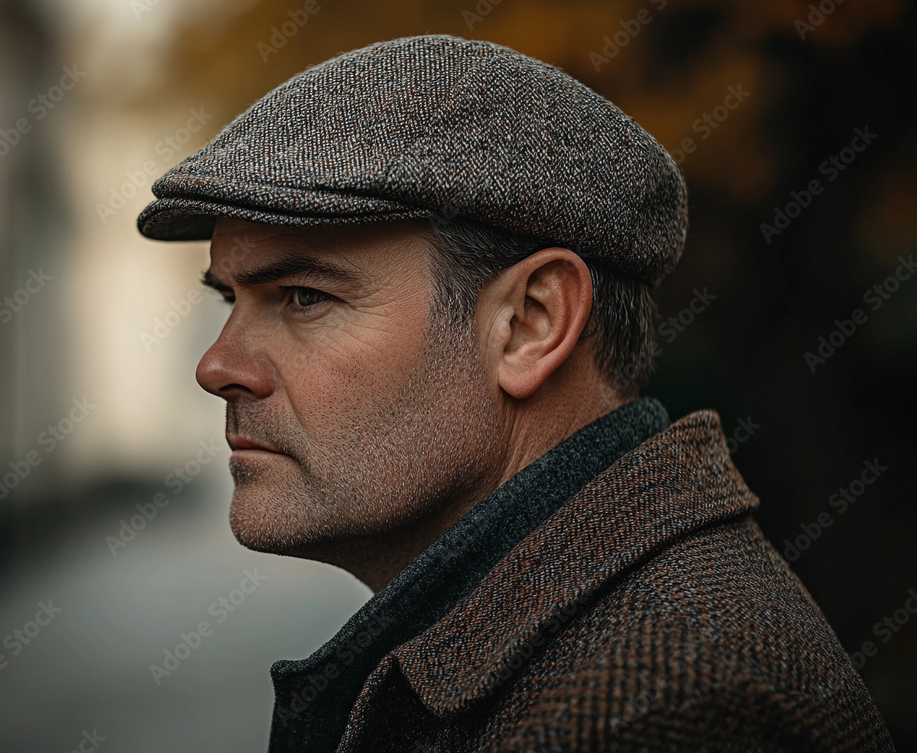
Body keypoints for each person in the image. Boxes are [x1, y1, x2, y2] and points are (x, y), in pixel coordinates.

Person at [136, 34, 895, 753]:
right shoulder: (621, 643)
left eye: (302, 297)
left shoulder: (664, 710)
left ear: (531, 324)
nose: (217, 365)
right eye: (226, 298)